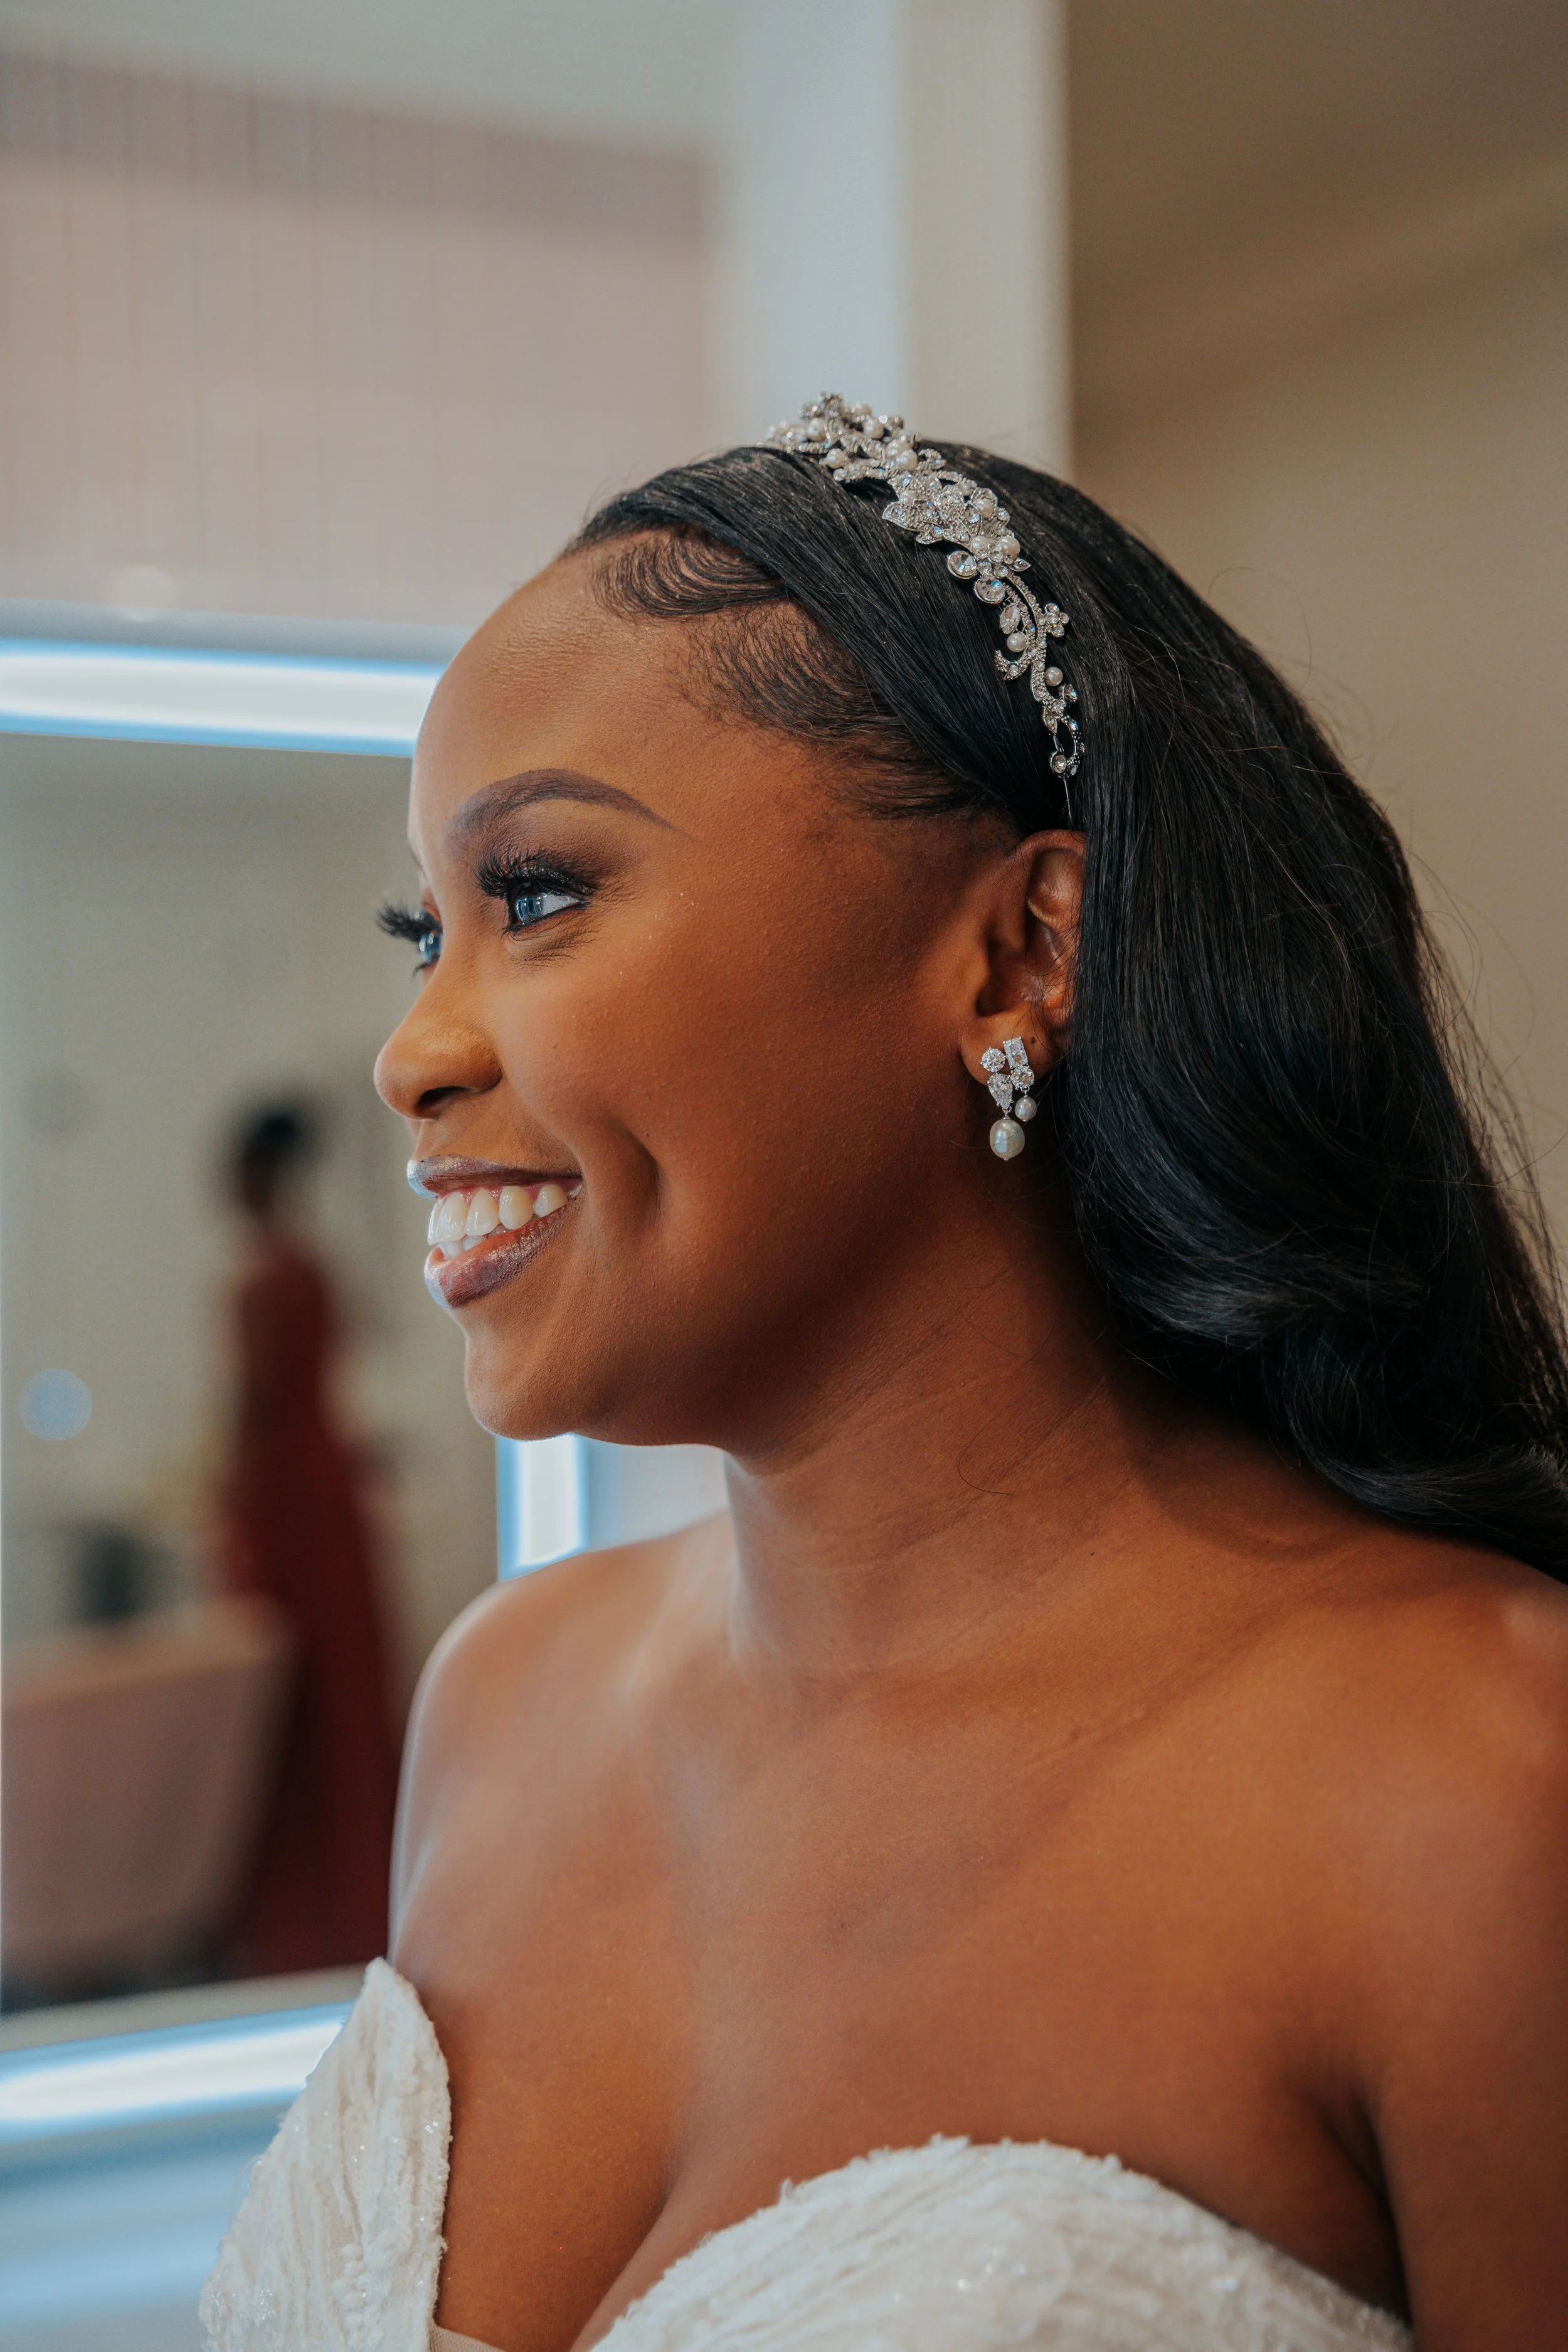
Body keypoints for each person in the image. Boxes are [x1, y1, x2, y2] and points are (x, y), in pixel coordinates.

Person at [202, 402, 1568, 2350]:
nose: (410, 1050)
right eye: (427, 925)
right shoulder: (500, 1702)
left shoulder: (1469, 1780)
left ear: (1018, 947)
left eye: (538, 891)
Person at [217, 1101, 400, 1976]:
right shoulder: (312, 1266)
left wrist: (231, 1516)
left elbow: (253, 1410)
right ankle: (355, 1900)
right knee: (342, 1694)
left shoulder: (260, 1279)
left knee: (291, 1714)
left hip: (288, 1498)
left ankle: (300, 1923)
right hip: (326, 1487)